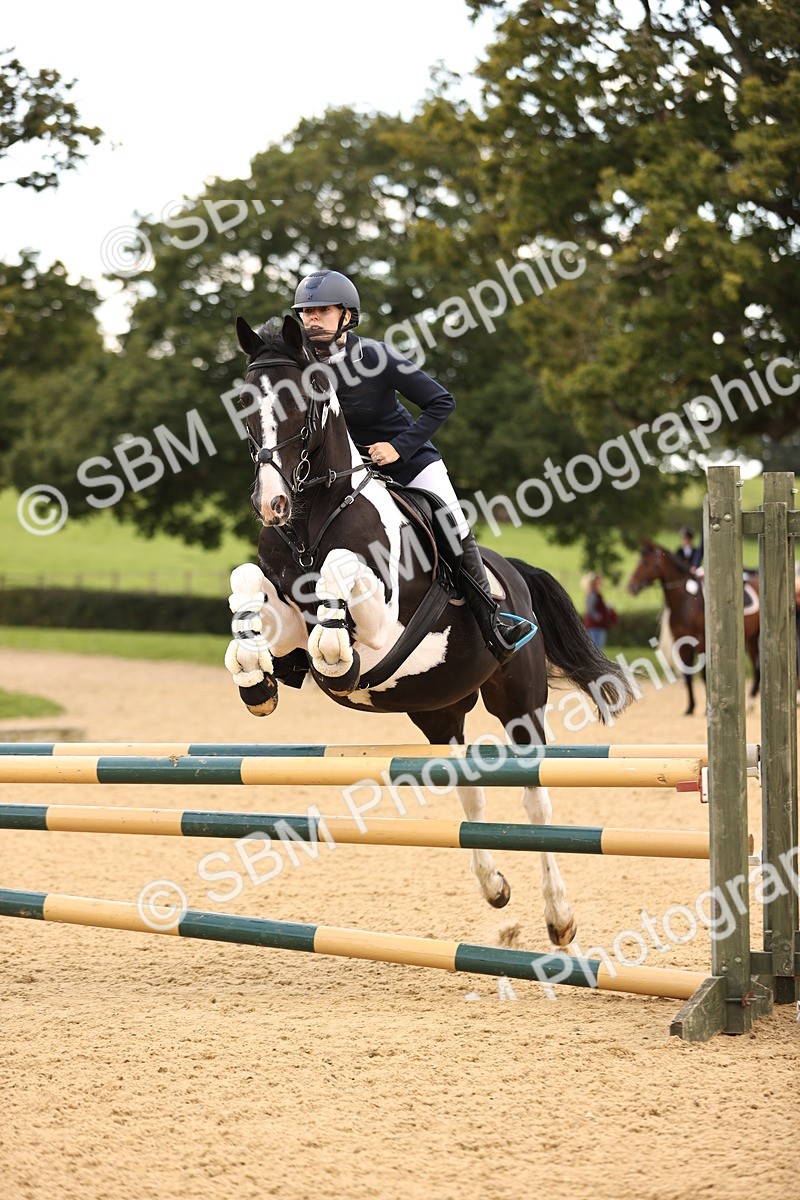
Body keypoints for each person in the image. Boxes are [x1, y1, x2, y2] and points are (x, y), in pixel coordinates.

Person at [290, 268, 535, 664]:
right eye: (306, 312)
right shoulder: (299, 366)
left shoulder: (376, 356)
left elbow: (442, 401)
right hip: (351, 473)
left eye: (322, 310)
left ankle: (494, 625)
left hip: (410, 463)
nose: (312, 319)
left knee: (452, 522)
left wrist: (399, 447)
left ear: (346, 316)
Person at [581, 572, 617, 651]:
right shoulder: (594, 594)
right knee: (597, 647)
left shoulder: (593, 594)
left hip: (595, 625)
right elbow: (590, 608)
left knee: (596, 646)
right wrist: (596, 616)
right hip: (596, 625)